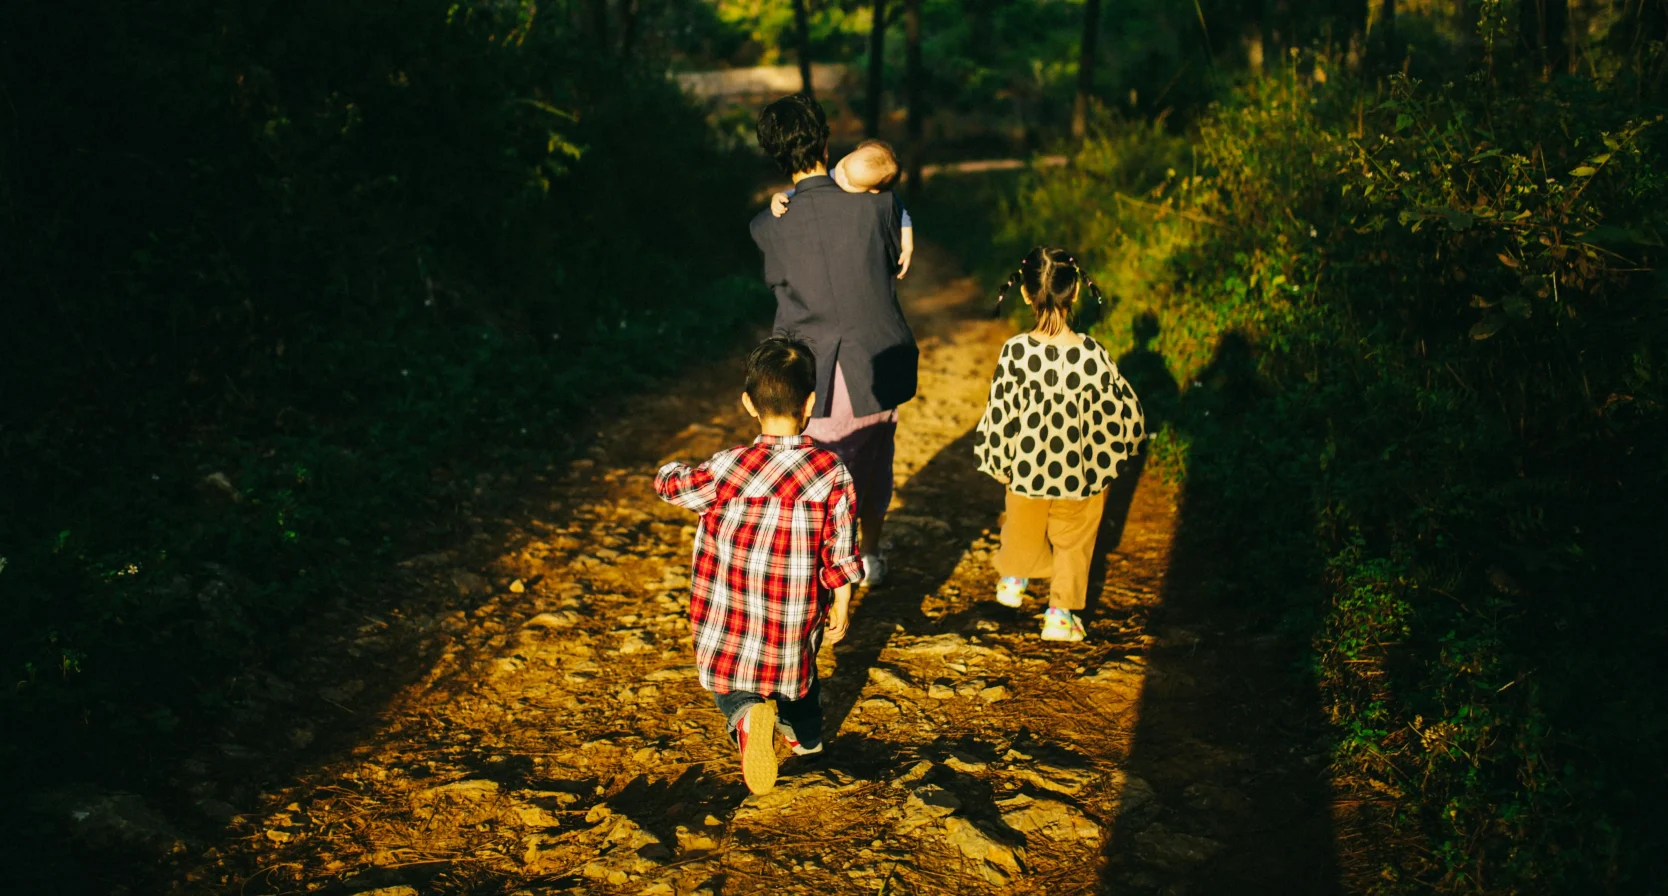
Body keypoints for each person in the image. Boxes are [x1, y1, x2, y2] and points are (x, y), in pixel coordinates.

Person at [653, 337, 864, 794]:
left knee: (726, 676)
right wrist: (842, 601)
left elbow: (672, 487)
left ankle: (747, 714)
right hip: (793, 619)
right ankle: (806, 743)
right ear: (811, 402)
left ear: (748, 403)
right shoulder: (832, 471)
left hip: (728, 613)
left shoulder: (727, 467)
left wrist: (670, 467)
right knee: (802, 679)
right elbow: (841, 548)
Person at [750, 94, 918, 588]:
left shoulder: (767, 226)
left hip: (808, 374)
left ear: (776, 155)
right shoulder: (881, 206)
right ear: (826, 140)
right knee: (873, 462)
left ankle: (818, 562)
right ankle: (869, 554)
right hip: (876, 363)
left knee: (814, 474)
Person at [973, 247, 1146, 641]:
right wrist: (1115, 456)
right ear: (1076, 293)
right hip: (1079, 474)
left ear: (1024, 294)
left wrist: (1000, 462)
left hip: (1027, 470)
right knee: (1074, 540)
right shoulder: (1091, 354)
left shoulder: (1015, 351)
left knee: (1021, 524)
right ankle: (1059, 614)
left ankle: (1014, 579)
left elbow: (1001, 412)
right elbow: (1123, 412)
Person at [770, 139, 916, 279]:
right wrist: (782, 196)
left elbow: (903, 215)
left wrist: (907, 247)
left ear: (873, 190)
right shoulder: (832, 176)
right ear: (854, 151)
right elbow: (806, 192)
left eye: (849, 181)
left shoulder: (884, 198)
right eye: (844, 165)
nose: (840, 176)